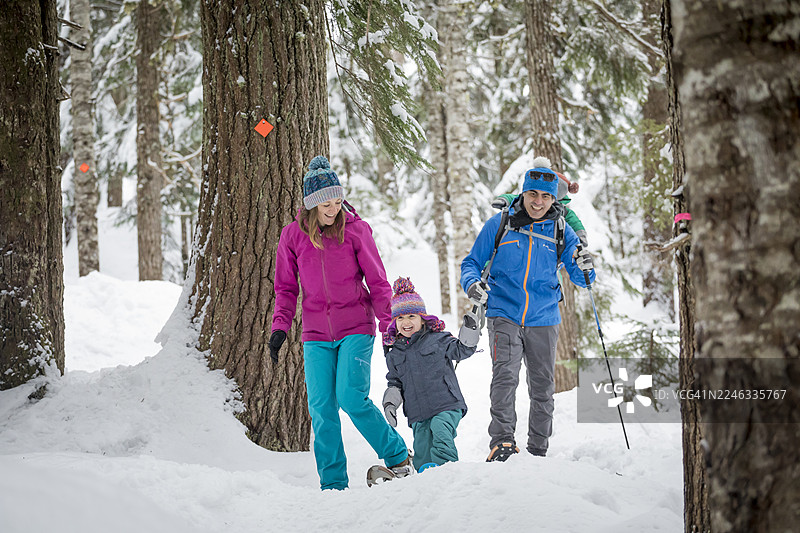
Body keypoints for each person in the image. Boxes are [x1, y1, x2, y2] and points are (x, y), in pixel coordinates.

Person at [269, 155, 411, 490]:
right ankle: (333, 484)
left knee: (350, 397)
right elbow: (286, 288)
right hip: (315, 334)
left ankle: (397, 455)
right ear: (311, 204)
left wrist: (389, 327)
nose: (333, 209)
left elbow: (378, 283)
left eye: (337, 201)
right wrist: (280, 327)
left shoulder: (356, 230)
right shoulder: (292, 236)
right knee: (321, 408)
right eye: (326, 204)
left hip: (356, 327)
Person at [460, 156, 596, 461]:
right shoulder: (500, 224)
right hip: (503, 312)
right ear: (523, 193)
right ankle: (502, 443)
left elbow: (581, 277)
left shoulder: (561, 230)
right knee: (505, 378)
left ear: (554, 198)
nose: (538, 202)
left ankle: (537, 449)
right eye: (533, 194)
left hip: (544, 317)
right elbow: (471, 263)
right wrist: (471, 284)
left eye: (546, 196)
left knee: (542, 386)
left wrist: (586, 267)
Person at [381, 277, 479, 472]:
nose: (406, 322)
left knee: (441, 430)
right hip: (418, 413)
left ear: (422, 317)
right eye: (400, 318)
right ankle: (426, 480)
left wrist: (470, 331)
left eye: (411, 316)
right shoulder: (394, 354)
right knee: (423, 450)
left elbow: (462, 350)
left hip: (446, 404)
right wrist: (390, 404)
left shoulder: (438, 339)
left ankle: (448, 472)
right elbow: (394, 383)